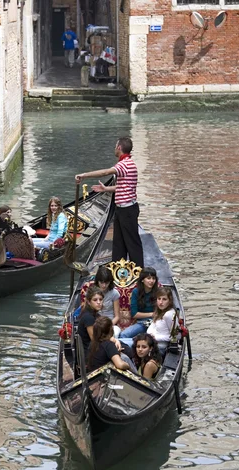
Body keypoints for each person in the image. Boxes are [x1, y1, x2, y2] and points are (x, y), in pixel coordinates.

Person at [75, 137, 144, 266]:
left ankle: (139, 273)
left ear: (119, 147)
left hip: (127, 210)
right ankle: (118, 270)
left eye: (115, 146)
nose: (114, 148)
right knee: (118, 242)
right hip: (122, 209)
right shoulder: (128, 164)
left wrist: (84, 175)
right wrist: (106, 189)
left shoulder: (124, 164)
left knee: (132, 242)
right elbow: (123, 187)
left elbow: (105, 172)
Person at [119, 267, 158, 342]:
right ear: (142, 280)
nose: (151, 281)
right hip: (142, 323)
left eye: (153, 278)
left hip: (155, 323)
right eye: (149, 278)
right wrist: (151, 314)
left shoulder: (158, 292)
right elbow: (134, 314)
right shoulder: (136, 292)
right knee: (123, 335)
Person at [147, 287, 177, 355]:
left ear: (170, 301)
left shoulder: (168, 315)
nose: (160, 302)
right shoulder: (159, 312)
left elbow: (175, 337)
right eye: (159, 299)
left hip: (160, 347)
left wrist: (155, 337)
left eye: (164, 299)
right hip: (150, 342)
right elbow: (153, 325)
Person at [94, 265, 121, 338]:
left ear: (110, 282)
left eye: (106, 283)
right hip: (95, 323)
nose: (104, 285)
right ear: (97, 281)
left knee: (114, 334)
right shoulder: (92, 292)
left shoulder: (114, 293)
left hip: (110, 324)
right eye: (101, 282)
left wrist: (107, 326)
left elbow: (117, 317)